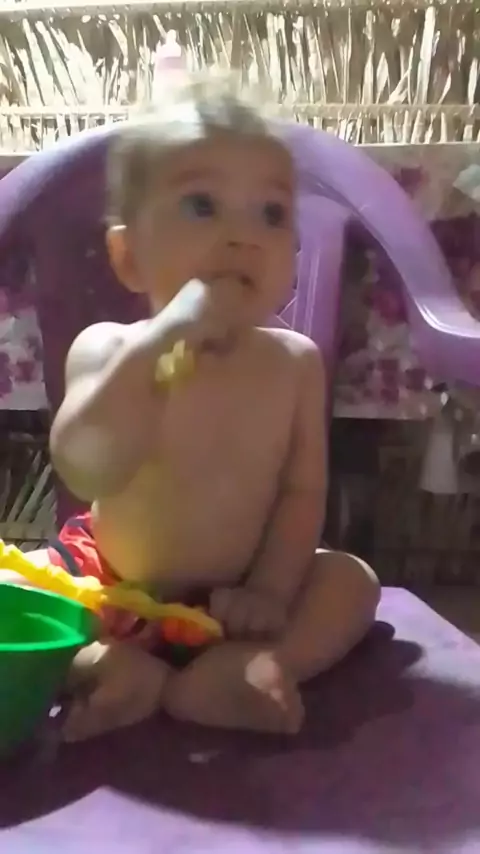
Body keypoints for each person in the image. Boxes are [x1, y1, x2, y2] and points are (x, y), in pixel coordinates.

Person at [17, 77, 380, 741]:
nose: (243, 236)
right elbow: (86, 466)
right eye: (202, 205)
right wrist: (157, 345)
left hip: (236, 603)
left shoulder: (294, 363)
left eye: (271, 214)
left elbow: (301, 494)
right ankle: (111, 666)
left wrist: (269, 593)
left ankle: (248, 668)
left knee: (351, 582)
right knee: (22, 593)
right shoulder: (110, 348)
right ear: (129, 256)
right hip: (112, 587)